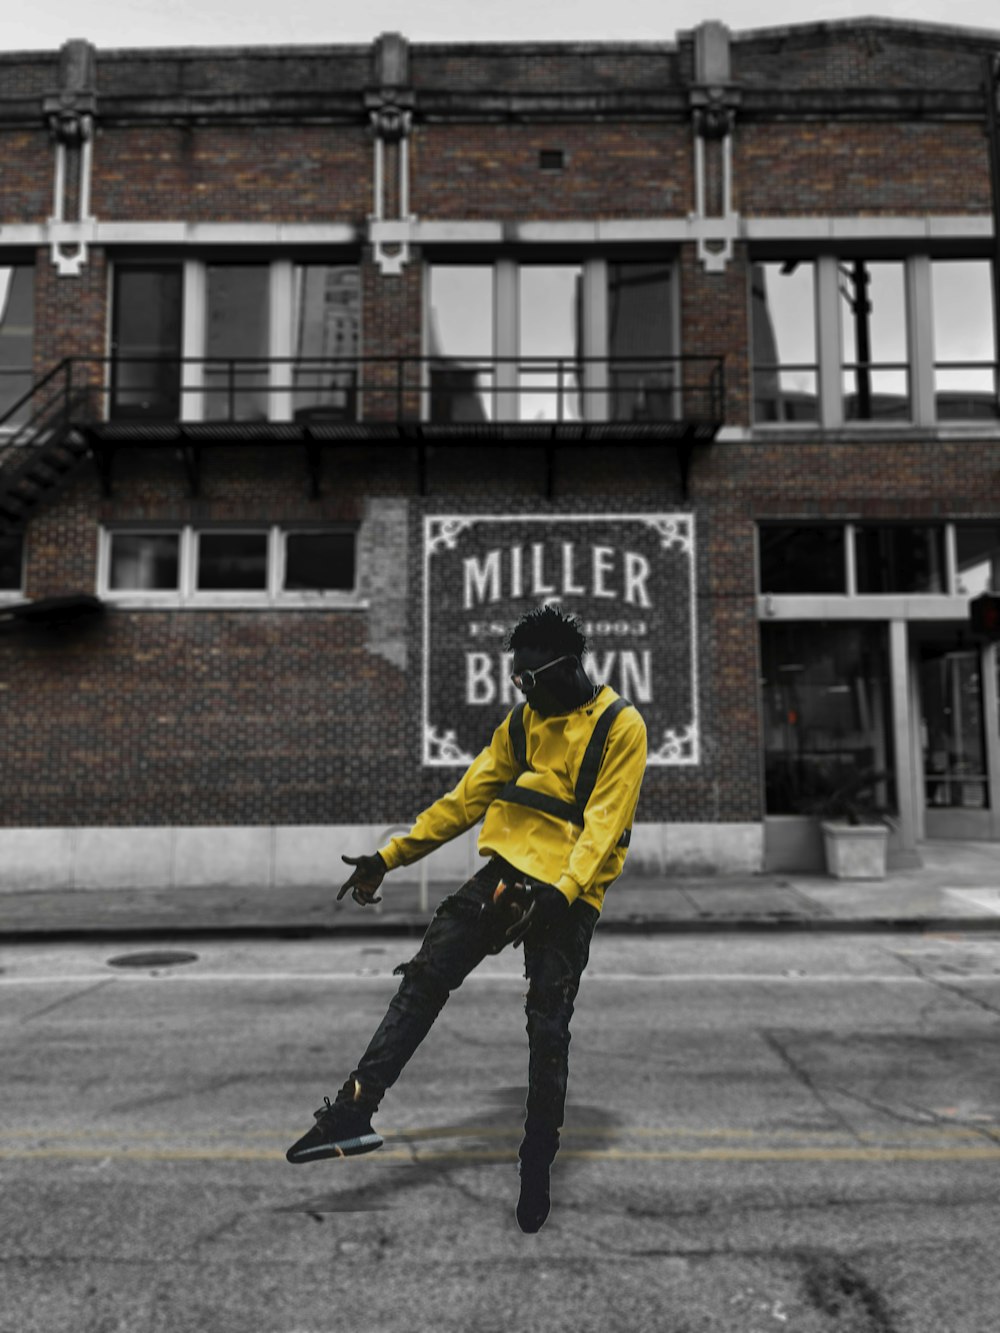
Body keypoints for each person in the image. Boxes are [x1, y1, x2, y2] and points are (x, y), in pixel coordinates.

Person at [286, 604, 647, 1233]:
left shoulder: (620, 727)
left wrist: (556, 899)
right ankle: (353, 1110)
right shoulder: (522, 723)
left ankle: (536, 1169)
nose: (523, 691)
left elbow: (603, 828)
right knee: (425, 977)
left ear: (567, 668)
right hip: (506, 874)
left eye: (530, 679)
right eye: (517, 681)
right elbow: (465, 799)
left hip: (569, 894)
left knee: (548, 1028)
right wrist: (388, 857)